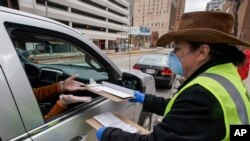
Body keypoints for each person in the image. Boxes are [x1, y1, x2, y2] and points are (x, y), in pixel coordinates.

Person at [95, 11, 250, 141]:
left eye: (177, 48)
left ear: (202, 52)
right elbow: (181, 109)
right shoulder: (223, 75)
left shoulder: (202, 93)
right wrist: (145, 99)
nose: (172, 54)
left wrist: (109, 134)